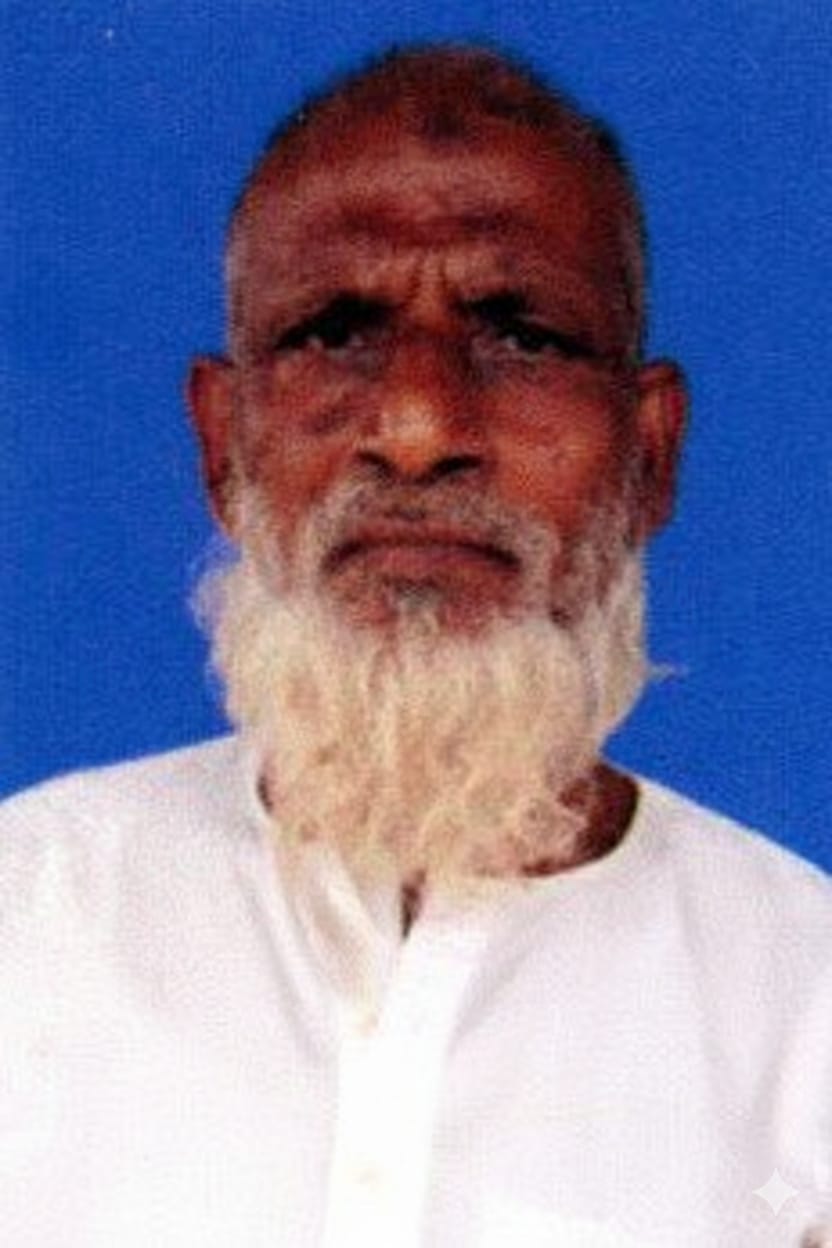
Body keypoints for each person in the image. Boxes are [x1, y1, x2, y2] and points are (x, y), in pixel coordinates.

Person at [1, 44, 830, 1248]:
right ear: (223, 448)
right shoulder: (26, 918)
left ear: (648, 453)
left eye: (522, 337)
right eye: (334, 332)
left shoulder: (803, 1006)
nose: (418, 426)